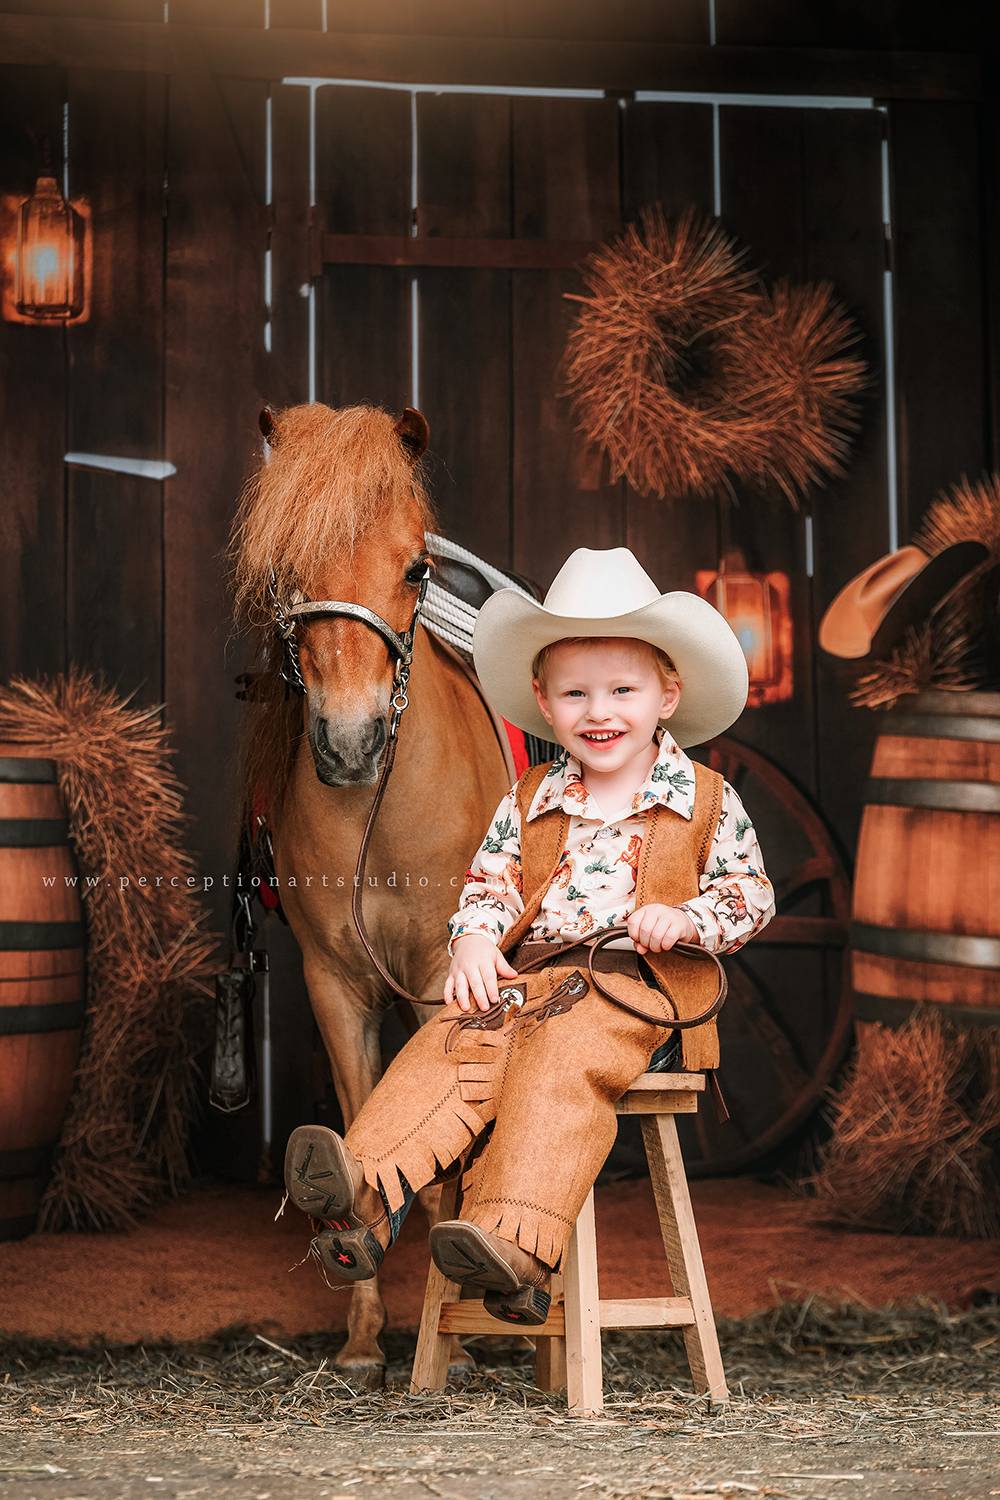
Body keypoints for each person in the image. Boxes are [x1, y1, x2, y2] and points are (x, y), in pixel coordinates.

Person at [283, 547, 775, 1324]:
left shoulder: (704, 801)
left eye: (622, 690)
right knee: (449, 1041)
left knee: (561, 1061)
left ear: (667, 695)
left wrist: (687, 919)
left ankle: (513, 1245)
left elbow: (752, 895)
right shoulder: (531, 797)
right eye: (575, 694)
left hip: (635, 998)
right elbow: (488, 886)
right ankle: (361, 1199)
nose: (599, 712)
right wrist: (476, 944)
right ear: (545, 705)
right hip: (529, 985)